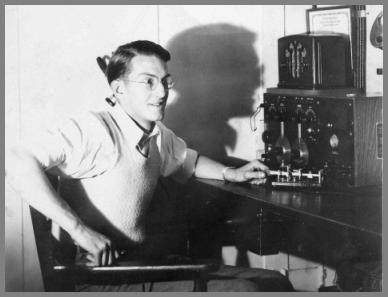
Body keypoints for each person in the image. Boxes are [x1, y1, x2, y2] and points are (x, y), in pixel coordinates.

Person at [6, 40, 293, 292]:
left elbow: (187, 160)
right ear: (118, 88)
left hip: (141, 265)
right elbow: (16, 158)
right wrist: (80, 231)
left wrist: (230, 172)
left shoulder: (156, 134)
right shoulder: (95, 130)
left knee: (274, 282)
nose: (162, 92)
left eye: (165, 81)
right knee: (245, 291)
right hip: (98, 280)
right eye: (148, 82)